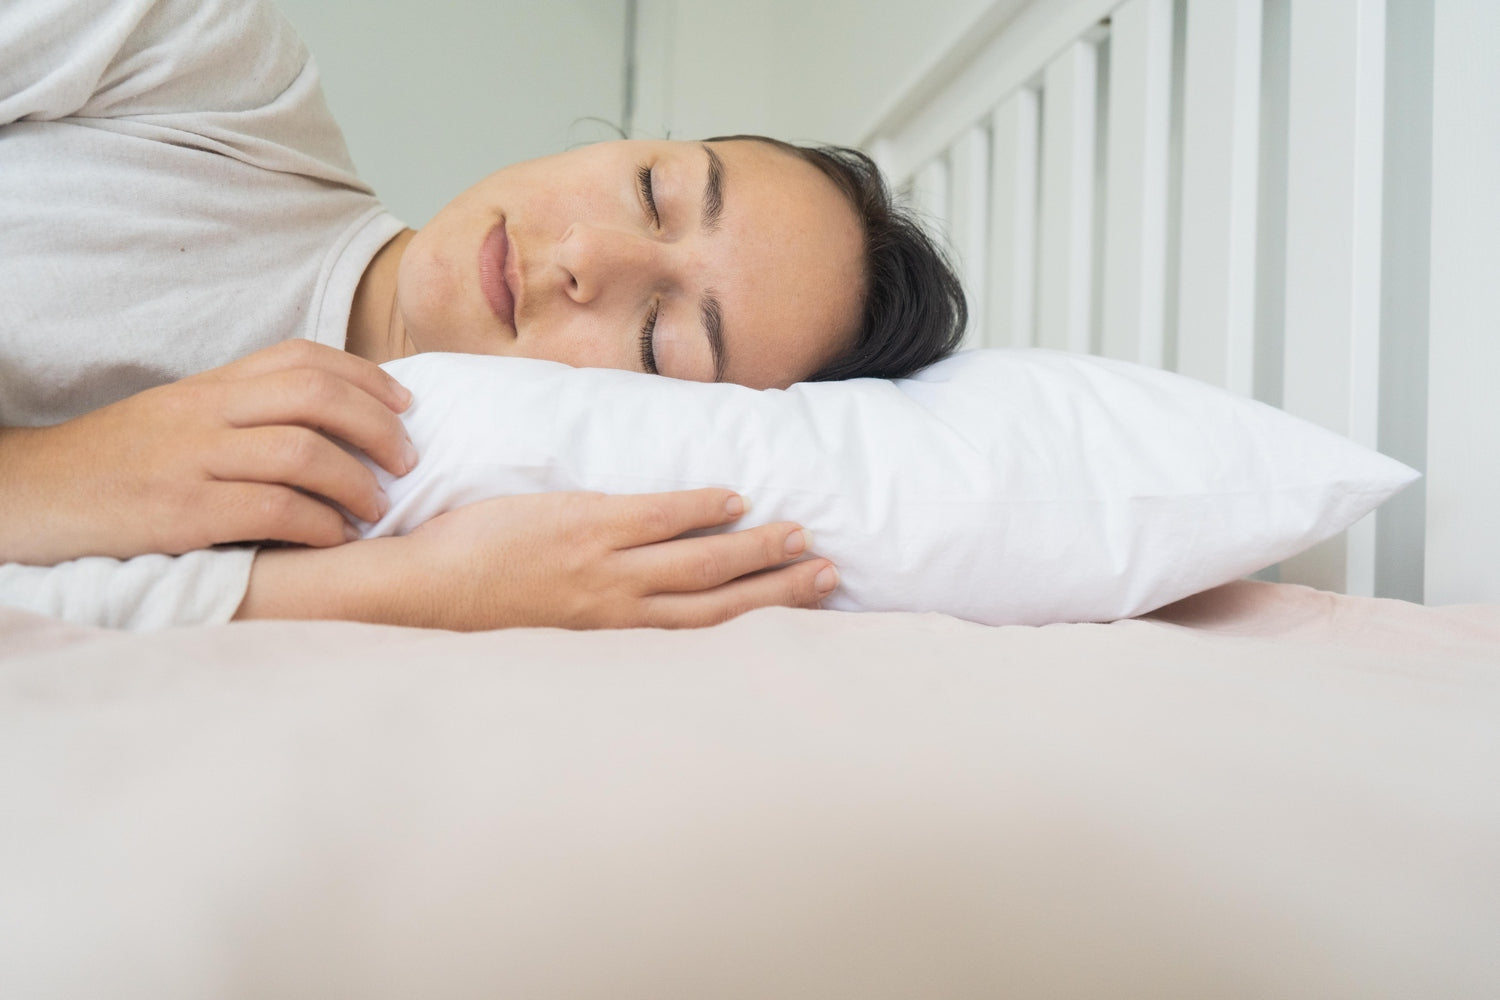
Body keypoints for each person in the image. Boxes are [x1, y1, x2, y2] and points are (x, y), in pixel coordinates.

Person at [0, 0, 965, 631]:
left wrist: (402, 592)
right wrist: (55, 474)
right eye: (653, 190)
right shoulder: (199, 60)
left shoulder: (393, 541)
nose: (591, 257)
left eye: (659, 338)